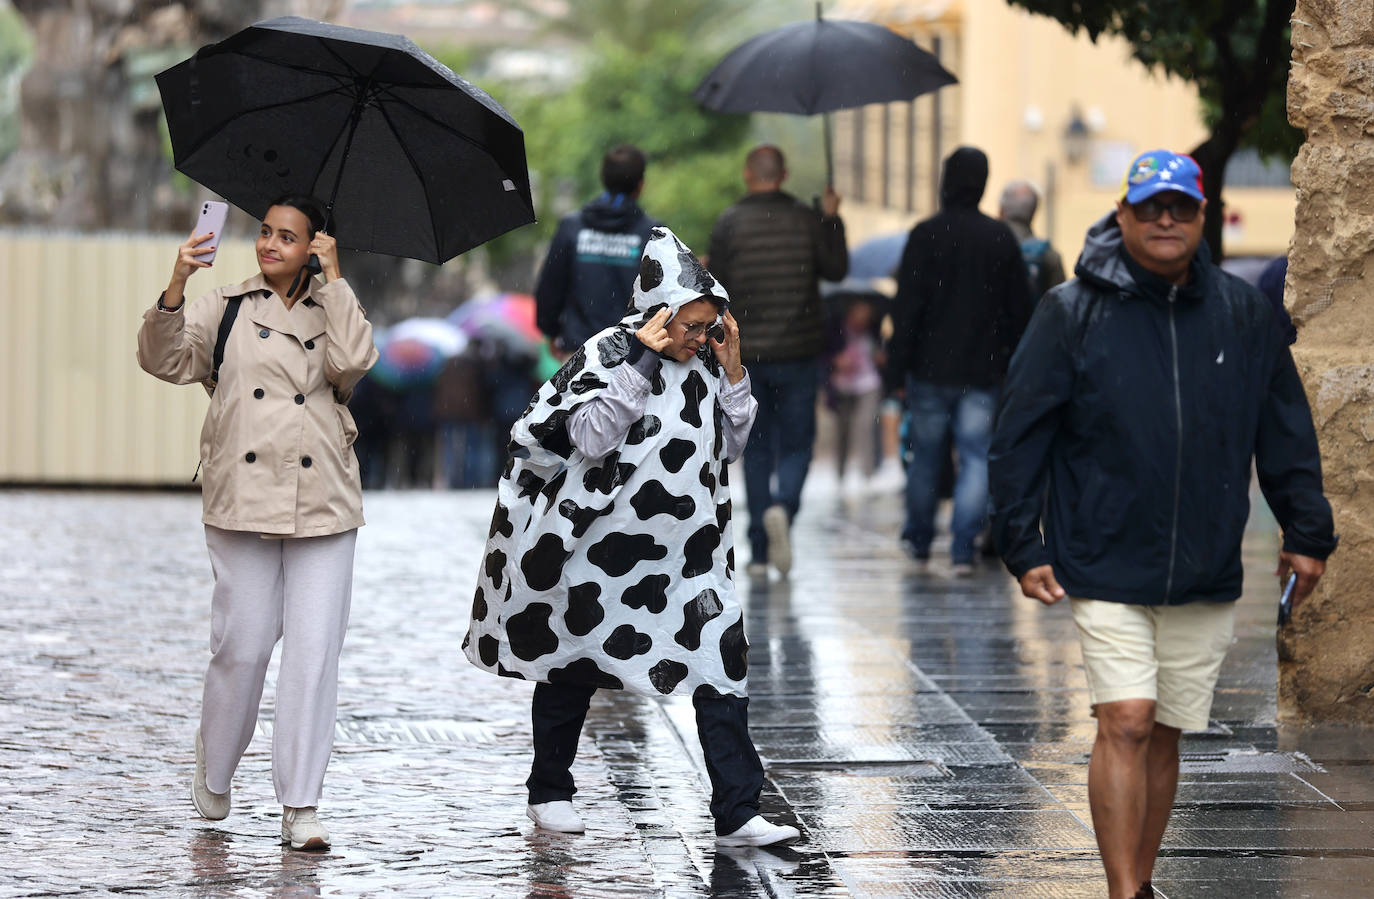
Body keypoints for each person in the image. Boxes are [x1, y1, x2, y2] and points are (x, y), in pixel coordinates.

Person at [988, 150, 1337, 899]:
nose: (1166, 219)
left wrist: (1307, 531)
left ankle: (1140, 880)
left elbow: (1284, 429)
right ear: (1123, 217)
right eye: (1150, 207)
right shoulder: (1069, 311)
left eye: (1180, 206)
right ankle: (1123, 891)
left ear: (1203, 217)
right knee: (1128, 719)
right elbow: (1020, 434)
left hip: (1205, 562)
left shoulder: (1244, 315)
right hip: (1104, 552)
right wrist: (1023, 541)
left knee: (1168, 728)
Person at [465, 227, 800, 848]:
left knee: (722, 669)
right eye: (691, 326)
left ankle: (736, 809)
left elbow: (728, 448)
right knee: (571, 664)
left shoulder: (705, 368)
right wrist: (641, 364)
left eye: (709, 327)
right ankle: (550, 791)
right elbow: (587, 438)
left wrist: (733, 375)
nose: (700, 338)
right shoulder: (604, 352)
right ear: (659, 313)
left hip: (690, 558)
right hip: (600, 553)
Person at [137, 195, 379, 851]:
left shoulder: (336, 303)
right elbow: (165, 361)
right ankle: (216, 760)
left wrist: (337, 281)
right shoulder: (226, 304)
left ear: (315, 245)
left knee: (312, 654)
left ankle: (301, 803)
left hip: (322, 496)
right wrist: (177, 284)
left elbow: (353, 363)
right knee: (241, 645)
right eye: (265, 232)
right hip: (241, 493)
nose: (270, 244)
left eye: (288, 237)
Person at [886, 146, 1033, 574]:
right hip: (983, 371)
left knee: (926, 456)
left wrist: (897, 369)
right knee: (975, 457)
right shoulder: (1000, 237)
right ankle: (963, 548)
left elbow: (906, 309)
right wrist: (1008, 360)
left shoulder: (924, 234)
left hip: (929, 369)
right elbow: (1018, 310)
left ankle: (918, 539)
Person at [707, 144, 848, 577]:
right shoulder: (807, 220)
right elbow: (837, 269)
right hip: (801, 353)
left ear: (749, 174)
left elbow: (716, 289)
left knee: (757, 448)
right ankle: (784, 509)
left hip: (748, 356)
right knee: (798, 444)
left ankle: (760, 550)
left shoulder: (729, 223)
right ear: (783, 175)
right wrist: (830, 217)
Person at [535, 144, 659, 357]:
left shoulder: (572, 226)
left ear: (603, 178)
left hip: (578, 352)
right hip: (632, 355)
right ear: (640, 184)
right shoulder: (653, 233)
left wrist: (551, 330)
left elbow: (550, 287)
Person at [825, 292, 885, 496]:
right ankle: (840, 476)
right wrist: (836, 361)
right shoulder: (836, 329)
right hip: (842, 386)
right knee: (842, 431)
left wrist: (881, 357)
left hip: (868, 384)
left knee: (865, 426)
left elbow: (882, 353)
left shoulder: (875, 331)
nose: (862, 319)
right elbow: (824, 356)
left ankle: (867, 475)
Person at [998, 179, 1066, 302]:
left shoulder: (984, 246)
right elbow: (1060, 306)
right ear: (1034, 212)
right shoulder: (1049, 255)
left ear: (1001, 210)